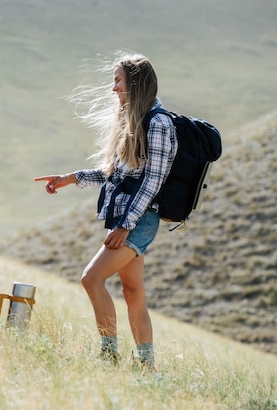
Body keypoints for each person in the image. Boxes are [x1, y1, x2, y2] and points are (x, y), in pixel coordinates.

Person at [34, 52, 177, 369]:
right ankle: (146, 365)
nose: (114, 89)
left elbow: (153, 183)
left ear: (136, 84)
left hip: (139, 220)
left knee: (91, 278)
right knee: (132, 291)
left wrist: (126, 225)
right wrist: (71, 178)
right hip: (127, 216)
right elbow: (117, 173)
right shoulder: (132, 119)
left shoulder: (158, 124)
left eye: (118, 82)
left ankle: (109, 355)